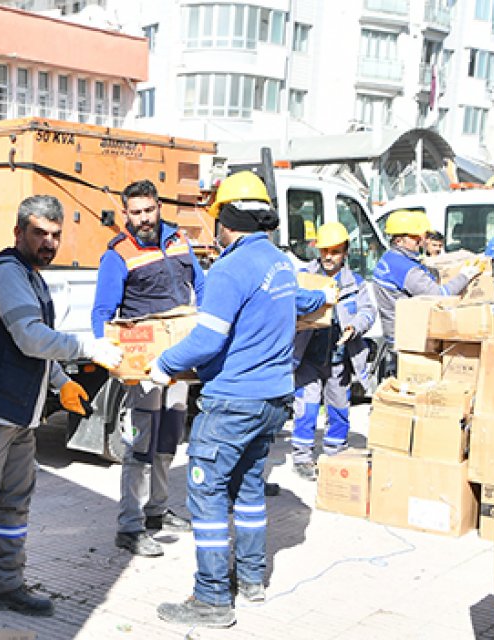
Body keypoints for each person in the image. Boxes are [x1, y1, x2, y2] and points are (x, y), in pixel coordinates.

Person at [0, 195, 124, 640]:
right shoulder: (7, 273)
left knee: (14, 506)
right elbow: (33, 338)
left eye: (55, 235)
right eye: (39, 233)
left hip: (16, 414)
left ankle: (7, 586)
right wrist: (87, 349)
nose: (49, 243)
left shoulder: (30, 277)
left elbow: (26, 346)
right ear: (18, 233)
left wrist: (58, 383)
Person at [149, 171, 324, 629]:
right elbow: (304, 302)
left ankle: (211, 598)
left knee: (205, 491)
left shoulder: (229, 267)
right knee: (247, 489)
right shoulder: (281, 263)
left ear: (227, 217)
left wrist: (163, 365)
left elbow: (207, 340)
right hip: (272, 400)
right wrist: (325, 296)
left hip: (233, 401)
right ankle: (251, 580)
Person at [90, 179, 203, 558]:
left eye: (148, 210)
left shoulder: (179, 241)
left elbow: (200, 287)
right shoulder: (117, 254)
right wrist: (109, 354)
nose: (143, 219)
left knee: (169, 437)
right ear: (126, 214)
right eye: (135, 212)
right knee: (140, 444)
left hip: (181, 361)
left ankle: (156, 510)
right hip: (144, 365)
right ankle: (129, 525)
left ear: (158, 207)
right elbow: (102, 314)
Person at [289, 222, 377, 481]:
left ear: (345, 252)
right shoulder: (304, 278)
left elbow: (368, 312)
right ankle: (302, 457)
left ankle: (335, 452)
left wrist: (355, 326)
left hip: (339, 358)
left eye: (335, 251)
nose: (329, 257)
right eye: (325, 251)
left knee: (339, 406)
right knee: (307, 406)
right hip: (308, 356)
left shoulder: (355, 283)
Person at [372, 209, 480, 377]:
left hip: (396, 335)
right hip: (408, 340)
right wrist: (465, 276)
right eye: (415, 237)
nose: (421, 241)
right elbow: (439, 295)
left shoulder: (389, 258)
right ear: (399, 240)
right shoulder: (405, 269)